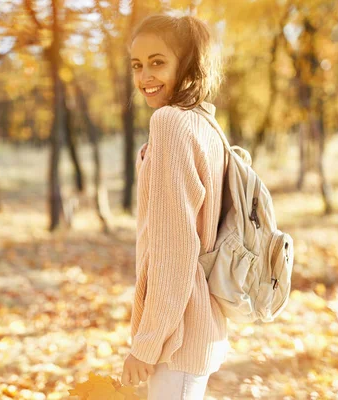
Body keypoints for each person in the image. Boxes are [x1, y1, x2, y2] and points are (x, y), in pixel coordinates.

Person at [120, 13, 230, 400]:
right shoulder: (206, 124)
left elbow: (175, 248)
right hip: (197, 322)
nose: (144, 76)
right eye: (137, 65)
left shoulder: (170, 124)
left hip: (177, 333)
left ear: (186, 64)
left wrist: (146, 345)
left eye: (157, 62)